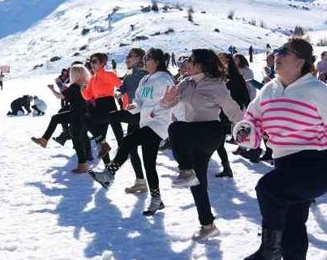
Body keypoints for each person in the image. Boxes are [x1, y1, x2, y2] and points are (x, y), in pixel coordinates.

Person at [234, 37, 327, 260]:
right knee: (292, 226)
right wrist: (245, 133)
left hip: (316, 164)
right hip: (285, 165)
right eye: (276, 51)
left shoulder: (318, 90)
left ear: (300, 60)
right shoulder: (269, 90)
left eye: (283, 52)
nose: (276, 55)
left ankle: (270, 250)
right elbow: (251, 121)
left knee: (267, 188)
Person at [161, 49, 243, 241]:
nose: (186, 64)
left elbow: (232, 110)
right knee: (198, 183)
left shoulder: (216, 85)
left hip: (210, 132)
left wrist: (246, 127)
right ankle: (208, 225)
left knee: (175, 129)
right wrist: (167, 100)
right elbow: (167, 106)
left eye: (191, 61)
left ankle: (185, 171)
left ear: (202, 64)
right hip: (191, 133)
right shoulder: (184, 83)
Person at [90, 48, 175, 215]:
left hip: (158, 124)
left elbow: (172, 101)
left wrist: (159, 112)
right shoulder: (144, 79)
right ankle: (157, 200)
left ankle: (109, 173)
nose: (145, 60)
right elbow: (140, 101)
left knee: (128, 140)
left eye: (148, 58)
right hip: (145, 123)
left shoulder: (165, 79)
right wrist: (133, 107)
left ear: (157, 61)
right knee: (149, 165)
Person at [109, 48, 149, 193]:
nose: (126, 59)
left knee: (113, 116)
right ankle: (140, 182)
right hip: (133, 112)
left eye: (129, 56)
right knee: (132, 149)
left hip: (143, 115)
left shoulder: (146, 74)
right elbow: (123, 87)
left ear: (139, 58)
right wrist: (119, 92)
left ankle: (121, 145)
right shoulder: (129, 73)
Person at [83, 53, 123, 161]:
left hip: (108, 104)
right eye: (90, 61)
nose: (92, 64)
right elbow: (88, 96)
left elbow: (122, 86)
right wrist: (82, 89)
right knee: (100, 139)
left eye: (95, 61)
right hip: (98, 107)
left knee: (115, 130)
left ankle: (122, 147)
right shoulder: (92, 79)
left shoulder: (108, 75)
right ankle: (108, 168)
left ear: (102, 63)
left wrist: (124, 101)